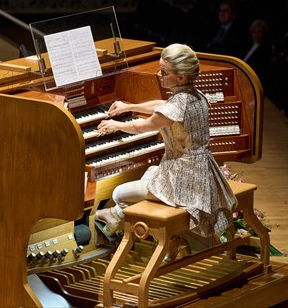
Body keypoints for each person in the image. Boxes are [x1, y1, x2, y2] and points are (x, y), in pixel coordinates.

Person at [94, 43, 237, 261]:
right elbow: (163, 104)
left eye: (164, 72)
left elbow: (143, 126)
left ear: (180, 77)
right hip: (201, 170)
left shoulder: (177, 104)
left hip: (184, 179)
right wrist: (128, 106)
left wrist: (116, 125)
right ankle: (164, 239)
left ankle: (164, 237)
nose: (159, 75)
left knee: (118, 194)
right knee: (151, 171)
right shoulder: (196, 95)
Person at [241, 19, 273, 95]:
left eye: (259, 32)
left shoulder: (266, 49)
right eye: (254, 32)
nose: (256, 35)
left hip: (253, 79)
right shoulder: (247, 45)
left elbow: (261, 68)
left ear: (264, 33)